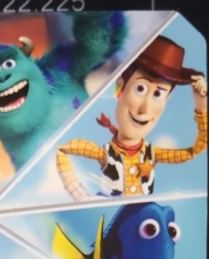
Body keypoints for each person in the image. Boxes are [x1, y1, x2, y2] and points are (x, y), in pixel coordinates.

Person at [56, 36, 207, 200]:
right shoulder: (105, 153)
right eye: (140, 88)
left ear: (166, 101)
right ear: (120, 88)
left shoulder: (153, 154)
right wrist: (81, 197)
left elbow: (195, 151)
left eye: (158, 94)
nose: (144, 109)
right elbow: (62, 150)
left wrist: (202, 107)